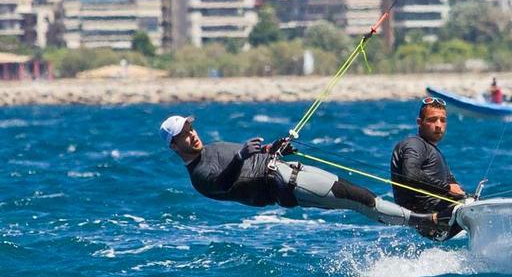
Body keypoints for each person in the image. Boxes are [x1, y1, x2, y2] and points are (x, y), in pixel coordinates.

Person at [160, 114, 427, 229]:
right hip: (285, 186)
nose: (192, 135)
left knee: (362, 195)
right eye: (183, 135)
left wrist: (273, 147)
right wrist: (242, 155)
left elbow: (257, 155)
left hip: (289, 169)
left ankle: (421, 221)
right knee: (360, 200)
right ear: (174, 146)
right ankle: (426, 221)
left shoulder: (213, 147)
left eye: (191, 129)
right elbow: (223, 182)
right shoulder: (199, 178)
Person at [390, 97, 467, 240]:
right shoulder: (414, 144)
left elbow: (454, 188)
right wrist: (447, 188)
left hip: (442, 222)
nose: (438, 125)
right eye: (432, 120)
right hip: (432, 219)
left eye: (442, 120)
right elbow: (410, 175)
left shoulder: (433, 150)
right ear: (420, 122)